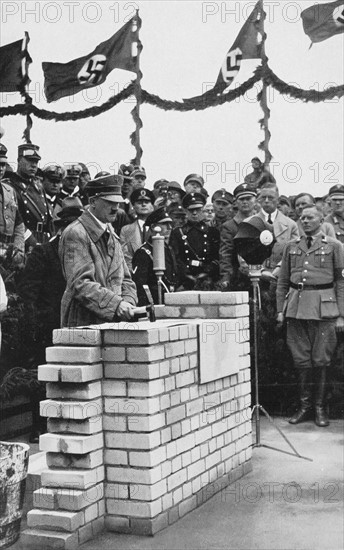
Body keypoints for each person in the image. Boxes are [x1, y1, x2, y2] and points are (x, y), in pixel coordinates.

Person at [17, 196, 84, 443]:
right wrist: (36, 324)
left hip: (77, 325)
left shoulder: (83, 252)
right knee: (44, 377)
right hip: (48, 326)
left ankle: (69, 423)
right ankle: (40, 427)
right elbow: (28, 291)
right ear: (59, 228)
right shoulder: (43, 253)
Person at [276, 205, 344, 427]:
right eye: (301, 218)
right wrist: (279, 311)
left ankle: (320, 407)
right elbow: (283, 281)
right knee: (301, 359)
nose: (304, 221)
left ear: (321, 220)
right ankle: (305, 407)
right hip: (296, 309)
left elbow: (341, 282)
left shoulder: (334, 246)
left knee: (321, 359)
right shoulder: (290, 247)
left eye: (310, 218)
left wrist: (342, 315)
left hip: (325, 309)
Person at [59, 174, 137, 327]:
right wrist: (117, 305)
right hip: (83, 322)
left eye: (118, 202)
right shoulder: (76, 233)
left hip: (112, 321)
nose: (116, 207)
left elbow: (126, 279)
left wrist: (128, 303)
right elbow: (80, 283)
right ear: (93, 202)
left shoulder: (111, 233)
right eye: (109, 202)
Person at [169, 192, 220, 290]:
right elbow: (175, 258)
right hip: (185, 279)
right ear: (186, 211)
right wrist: (186, 274)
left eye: (198, 209)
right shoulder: (178, 233)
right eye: (191, 210)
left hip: (208, 278)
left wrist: (207, 272)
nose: (195, 213)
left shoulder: (212, 232)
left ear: (203, 209)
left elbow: (217, 257)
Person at [8, 143, 52, 248]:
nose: (34, 165)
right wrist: (32, 242)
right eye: (30, 160)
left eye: (36, 161)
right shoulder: (10, 186)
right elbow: (13, 220)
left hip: (43, 240)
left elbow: (48, 218)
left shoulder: (38, 186)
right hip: (23, 242)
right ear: (19, 160)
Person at [132, 207, 178, 305]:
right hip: (154, 303)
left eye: (170, 224)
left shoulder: (168, 249)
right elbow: (140, 286)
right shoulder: (143, 252)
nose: (170, 227)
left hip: (170, 300)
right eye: (165, 224)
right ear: (153, 227)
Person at [256, 184, 299, 280]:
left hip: (282, 277)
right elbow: (243, 253)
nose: (266, 201)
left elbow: (295, 251)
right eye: (263, 197)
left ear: (278, 199)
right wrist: (261, 271)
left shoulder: (291, 225)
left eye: (270, 197)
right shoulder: (249, 223)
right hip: (255, 277)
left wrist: (280, 268)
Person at [219, 183, 257, 290]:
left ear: (255, 200)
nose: (245, 202)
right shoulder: (229, 227)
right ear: (236, 202)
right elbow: (225, 254)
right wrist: (226, 276)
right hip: (238, 277)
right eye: (241, 199)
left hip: (261, 276)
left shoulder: (263, 223)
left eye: (248, 198)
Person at [0, 143, 25, 266]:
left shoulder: (9, 191)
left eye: (3, 164)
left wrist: (18, 249)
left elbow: (19, 224)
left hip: (8, 257)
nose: (0, 168)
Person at [120, 188, 155, 272]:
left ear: (152, 206)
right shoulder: (126, 230)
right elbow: (125, 255)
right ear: (134, 206)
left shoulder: (159, 228)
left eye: (147, 202)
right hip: (134, 274)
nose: (143, 205)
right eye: (139, 203)